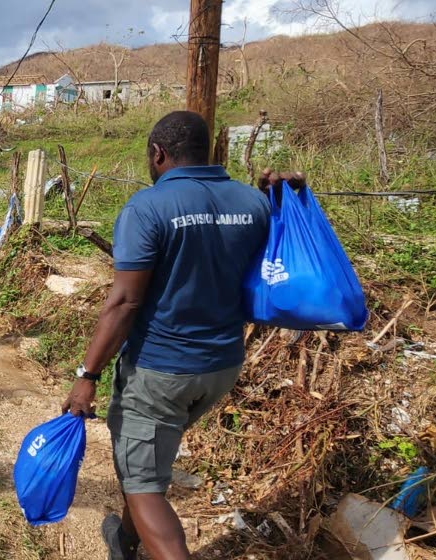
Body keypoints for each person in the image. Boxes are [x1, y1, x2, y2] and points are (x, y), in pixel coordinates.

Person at [62, 111, 305, 560]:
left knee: (143, 484)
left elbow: (124, 303)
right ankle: (127, 542)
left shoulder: (148, 207)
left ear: (158, 153)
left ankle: (146, 543)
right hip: (221, 367)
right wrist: (284, 198)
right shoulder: (252, 204)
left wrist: (87, 374)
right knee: (147, 466)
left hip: (160, 370)